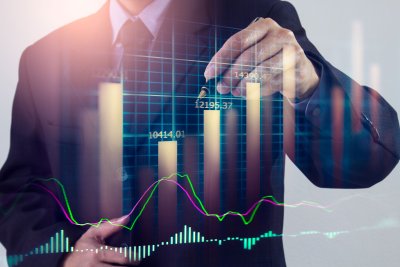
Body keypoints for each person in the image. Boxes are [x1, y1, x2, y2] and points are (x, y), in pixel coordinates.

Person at [0, 0, 399, 266]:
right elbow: (19, 189)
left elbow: (366, 161)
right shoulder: (44, 56)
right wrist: (62, 257)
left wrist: (308, 85)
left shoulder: (254, 20)